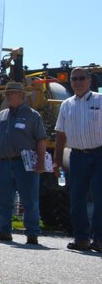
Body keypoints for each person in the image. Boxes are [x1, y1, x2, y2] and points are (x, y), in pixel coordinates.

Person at [0, 81, 48, 245]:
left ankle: (32, 233)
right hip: (3, 164)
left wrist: (41, 162)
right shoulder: (1, 115)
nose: (8, 96)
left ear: (22, 96)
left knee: (29, 200)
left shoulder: (32, 115)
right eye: (7, 94)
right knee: (4, 199)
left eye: (12, 93)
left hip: (25, 164)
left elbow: (41, 140)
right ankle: (4, 231)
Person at [52, 67, 102, 251]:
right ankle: (81, 238)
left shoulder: (100, 100)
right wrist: (57, 161)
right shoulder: (66, 105)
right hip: (77, 156)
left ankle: (99, 240)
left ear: (89, 80)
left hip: (99, 155)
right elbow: (60, 135)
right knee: (77, 199)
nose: (78, 82)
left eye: (82, 78)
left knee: (100, 197)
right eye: (74, 79)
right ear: (70, 82)